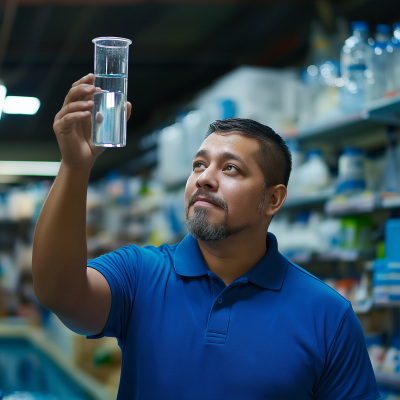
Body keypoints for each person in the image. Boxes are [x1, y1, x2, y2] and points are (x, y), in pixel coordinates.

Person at [32, 74, 380, 400]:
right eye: (199, 165)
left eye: (230, 169)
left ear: (272, 200)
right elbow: (59, 293)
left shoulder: (327, 316)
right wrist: (75, 167)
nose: (205, 178)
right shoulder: (141, 274)